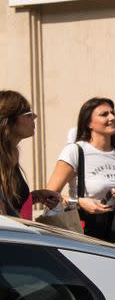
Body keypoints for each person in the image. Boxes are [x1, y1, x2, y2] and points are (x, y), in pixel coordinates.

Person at [46, 97, 115, 242]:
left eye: (112, 113)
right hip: (84, 231)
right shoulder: (75, 151)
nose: (112, 117)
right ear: (88, 123)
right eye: (104, 114)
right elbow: (48, 196)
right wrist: (78, 202)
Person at [0, 90, 61, 218]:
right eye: (28, 114)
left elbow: (11, 202)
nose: (34, 116)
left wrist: (36, 196)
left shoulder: (11, 154)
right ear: (9, 120)